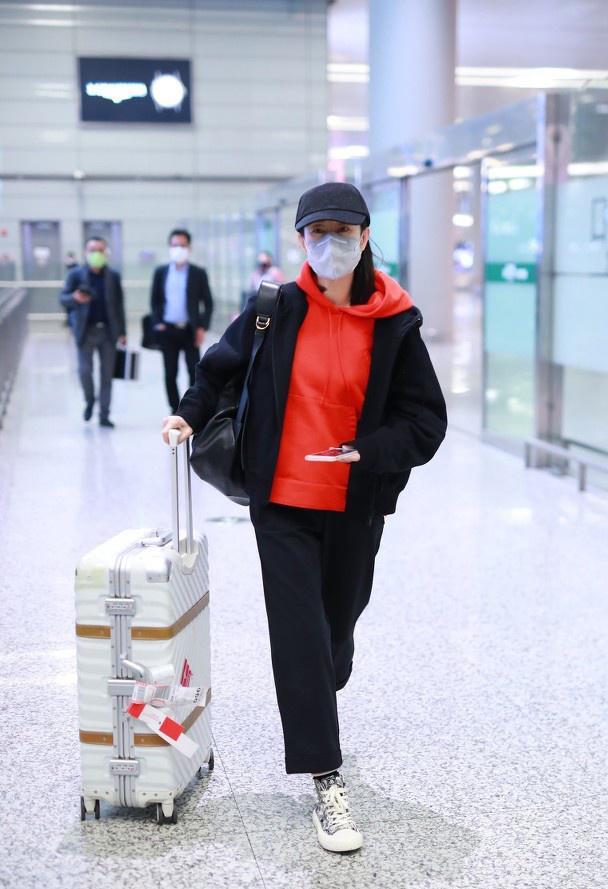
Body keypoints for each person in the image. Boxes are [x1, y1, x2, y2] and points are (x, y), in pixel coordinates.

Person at [161, 182, 447, 853]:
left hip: (353, 505)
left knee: (334, 634)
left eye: (343, 232)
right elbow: (219, 369)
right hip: (281, 501)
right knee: (298, 638)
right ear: (301, 240)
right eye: (318, 232)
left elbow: (425, 420)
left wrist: (369, 450)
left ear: (365, 237)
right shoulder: (276, 307)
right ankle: (325, 779)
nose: (330, 244)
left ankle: (329, 667)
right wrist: (187, 413)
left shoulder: (395, 320)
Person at [60, 237, 126, 427]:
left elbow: (119, 305)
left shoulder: (113, 276)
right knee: (84, 371)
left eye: (100, 250)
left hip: (108, 332)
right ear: (86, 252)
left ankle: (104, 414)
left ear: (106, 253)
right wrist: (75, 297)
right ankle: (90, 400)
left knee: (107, 375)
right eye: (92, 250)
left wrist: (122, 332)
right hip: (85, 331)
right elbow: (63, 298)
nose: (96, 254)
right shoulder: (76, 275)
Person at [150, 228, 213, 413]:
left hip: (190, 330)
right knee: (170, 373)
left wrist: (202, 327)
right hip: (168, 330)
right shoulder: (161, 272)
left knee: (195, 373)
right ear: (169, 247)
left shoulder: (198, 273)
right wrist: (158, 323)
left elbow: (208, 303)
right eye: (175, 245)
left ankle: (191, 410)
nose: (178, 249)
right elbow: (155, 301)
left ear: (189, 248)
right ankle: (175, 409)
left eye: (182, 245)